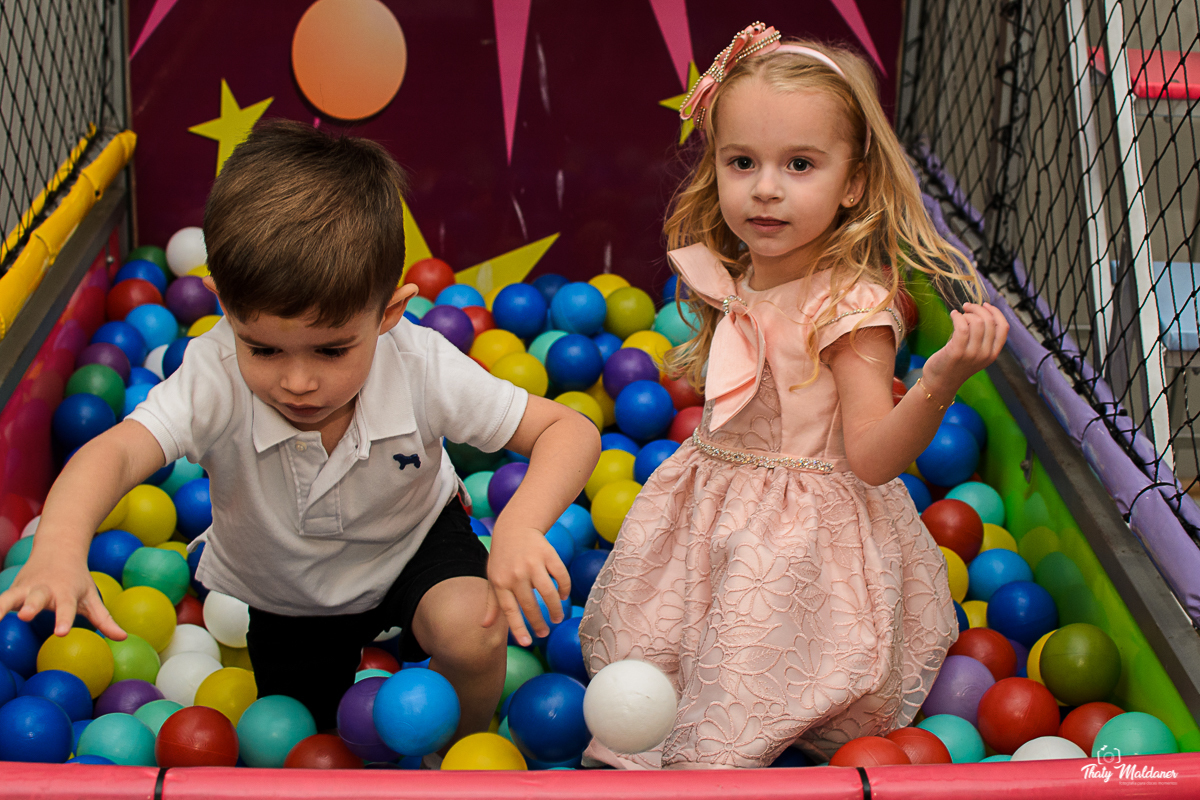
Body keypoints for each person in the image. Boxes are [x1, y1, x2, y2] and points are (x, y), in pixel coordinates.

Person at [0, 120, 600, 741]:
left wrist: (520, 527)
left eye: (332, 351)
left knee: (474, 625)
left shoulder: (420, 363)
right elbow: (117, 453)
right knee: (299, 737)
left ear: (389, 314)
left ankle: (461, 746)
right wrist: (59, 546)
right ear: (223, 308)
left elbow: (569, 430)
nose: (298, 382)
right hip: (286, 587)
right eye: (263, 349)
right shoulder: (214, 372)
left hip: (413, 541)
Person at [579, 24, 1008, 769]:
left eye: (800, 164)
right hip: (717, 499)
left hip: (796, 535)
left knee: (748, 663)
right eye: (742, 162)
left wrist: (938, 380)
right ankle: (653, 733)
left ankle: (708, 761)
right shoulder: (739, 267)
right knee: (663, 644)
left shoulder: (849, 308)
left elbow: (873, 458)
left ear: (853, 183)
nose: (766, 188)